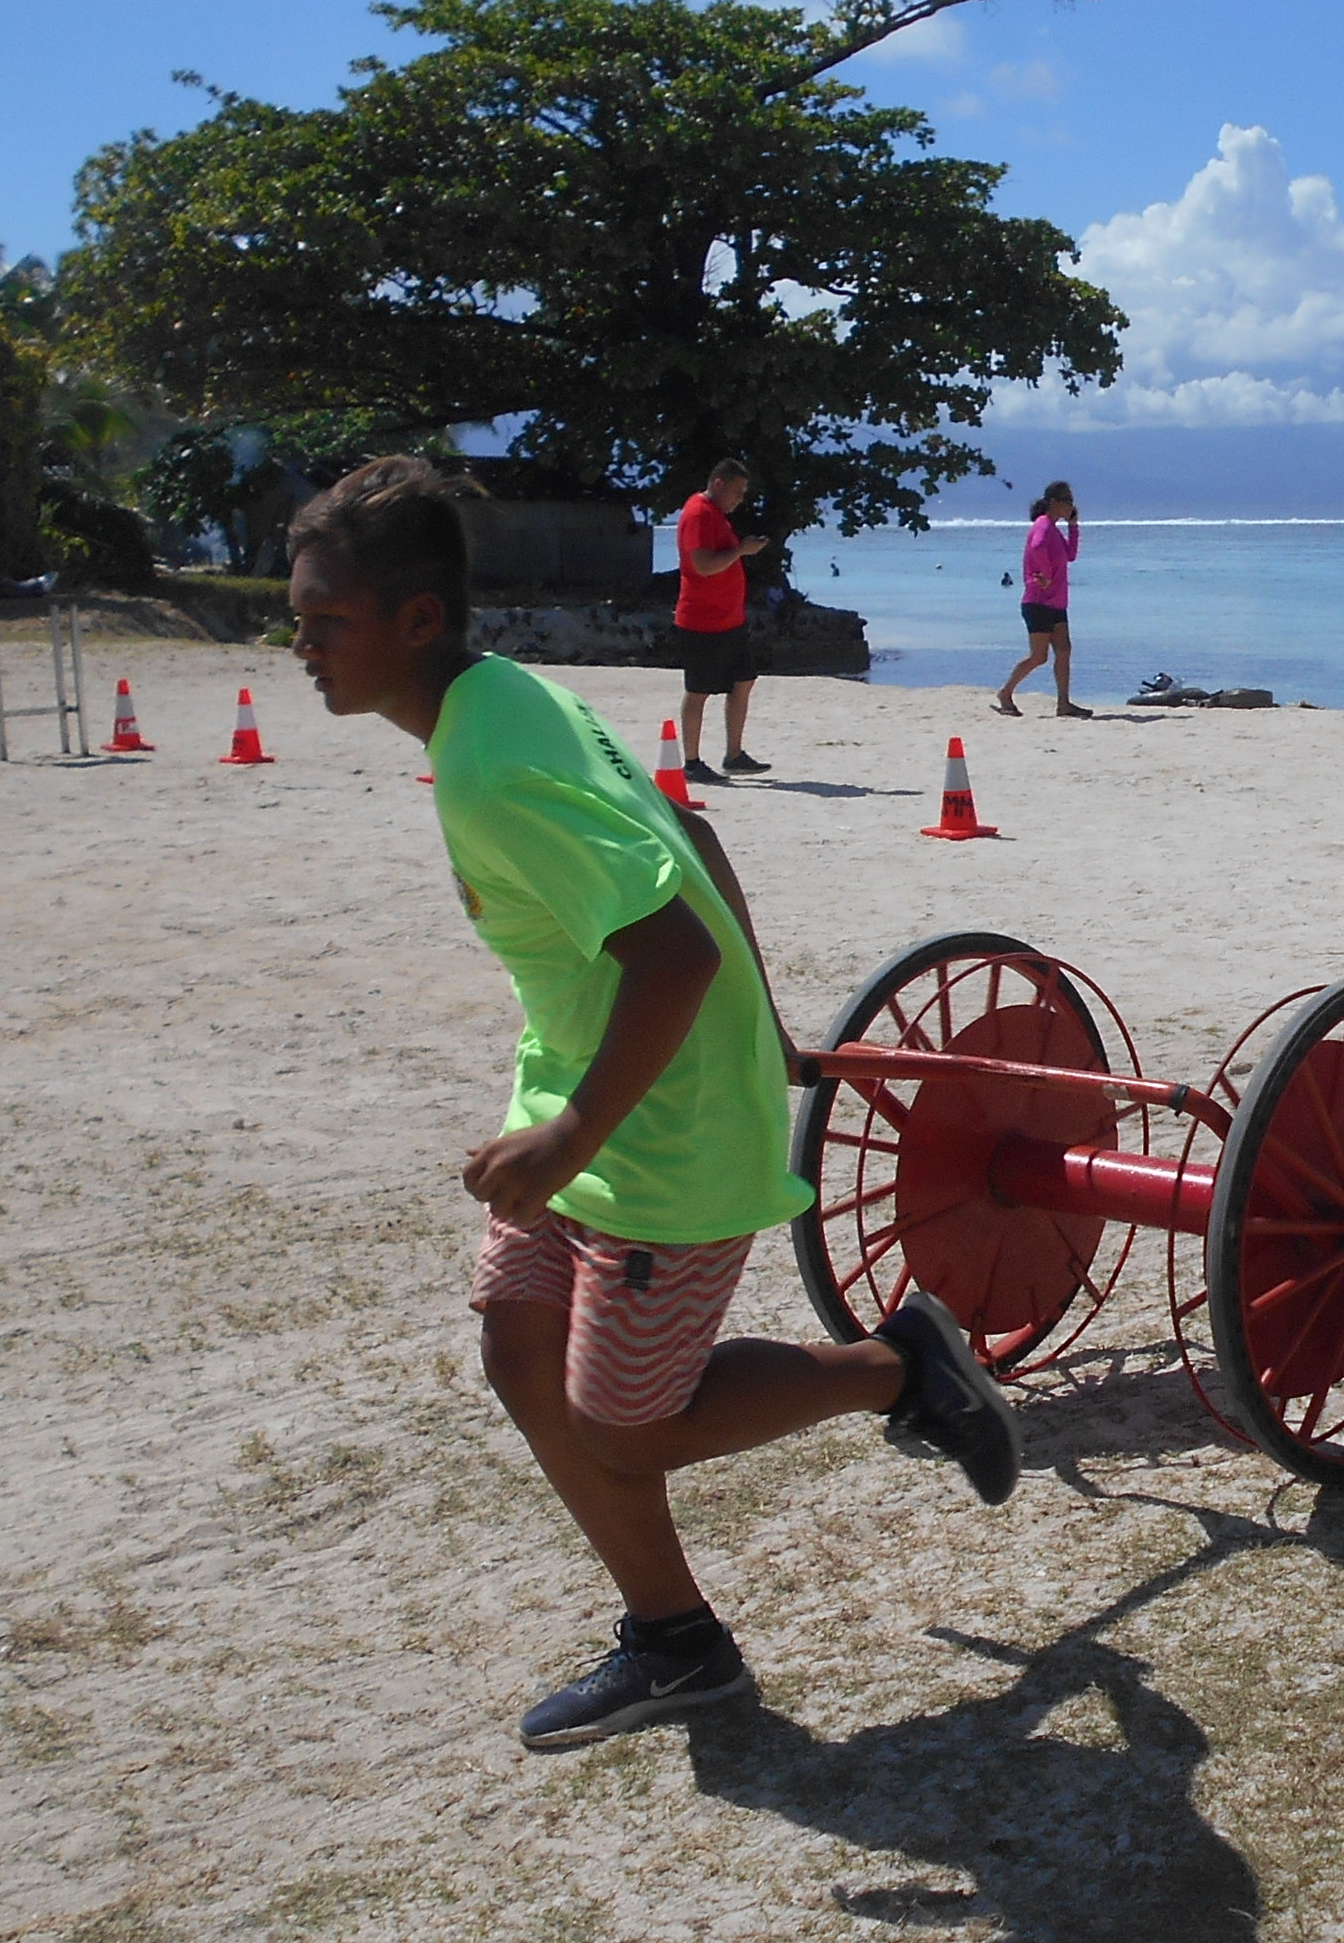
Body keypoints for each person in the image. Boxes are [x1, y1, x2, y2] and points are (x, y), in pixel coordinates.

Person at [284, 454, 1025, 1750]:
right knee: (516, 1349)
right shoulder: (498, 706)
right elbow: (692, 834)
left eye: (323, 623)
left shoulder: (492, 768)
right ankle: (676, 1641)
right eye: (296, 622)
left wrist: (584, 1127)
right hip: (587, 1095)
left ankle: (898, 1368)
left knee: (627, 1430)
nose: (301, 647)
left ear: (417, 620)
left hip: (657, 1136)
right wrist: (765, 1026)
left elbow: (671, 949)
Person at [672, 458, 769, 783]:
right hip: (702, 619)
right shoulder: (698, 513)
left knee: (743, 681)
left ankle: (734, 754)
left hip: (729, 619)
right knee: (698, 691)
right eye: (737, 492)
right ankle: (692, 761)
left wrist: (741, 550)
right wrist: (741, 551)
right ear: (718, 484)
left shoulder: (715, 515)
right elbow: (703, 565)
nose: (739, 499)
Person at [995, 482, 1088, 718]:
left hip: (1056, 602)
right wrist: (1045, 574)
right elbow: (1036, 547)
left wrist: (1073, 527)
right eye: (1067, 501)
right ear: (1054, 502)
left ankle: (1064, 703)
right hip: (1038, 601)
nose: (1071, 505)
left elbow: (1070, 555)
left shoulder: (1055, 530)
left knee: (1064, 650)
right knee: (1039, 656)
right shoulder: (1043, 525)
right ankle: (1005, 693)